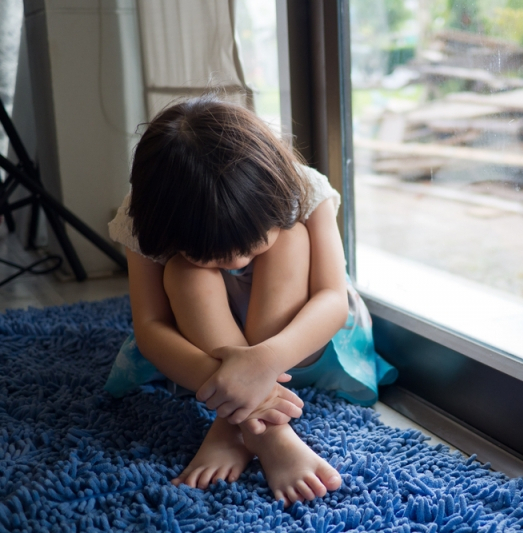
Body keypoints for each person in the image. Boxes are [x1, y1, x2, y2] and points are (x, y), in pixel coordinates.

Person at [104, 96, 396, 506]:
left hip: (301, 346)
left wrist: (265, 361)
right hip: (203, 360)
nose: (238, 261)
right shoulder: (147, 214)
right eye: (211, 253)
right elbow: (150, 329)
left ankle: (231, 426)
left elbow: (332, 298)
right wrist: (235, 388)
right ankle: (269, 433)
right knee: (183, 272)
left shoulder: (303, 187)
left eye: (252, 244)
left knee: (291, 241)